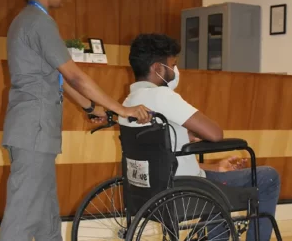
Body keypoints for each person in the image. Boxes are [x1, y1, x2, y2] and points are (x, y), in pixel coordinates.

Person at [0, 0, 151, 241]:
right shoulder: (38, 22)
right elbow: (74, 76)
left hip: (33, 129)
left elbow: (56, 79)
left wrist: (91, 107)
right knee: (22, 214)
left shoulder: (27, 20)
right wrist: (123, 110)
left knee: (46, 215)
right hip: (34, 129)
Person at [118, 33, 281, 241]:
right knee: (268, 176)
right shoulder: (162, 96)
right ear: (158, 68)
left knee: (215, 187)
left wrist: (214, 167)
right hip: (185, 190)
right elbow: (215, 133)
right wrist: (197, 134)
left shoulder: (128, 102)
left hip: (147, 193)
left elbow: (163, 161)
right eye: (172, 64)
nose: (175, 71)